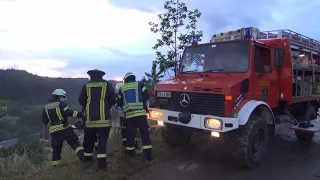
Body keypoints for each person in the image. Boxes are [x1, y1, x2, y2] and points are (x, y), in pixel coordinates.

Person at [78, 69, 116, 171]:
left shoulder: (86, 86)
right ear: (101, 76)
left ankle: (87, 160)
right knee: (102, 141)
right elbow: (113, 99)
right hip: (104, 119)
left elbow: (81, 100)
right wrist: (107, 107)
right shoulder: (106, 85)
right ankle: (102, 165)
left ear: (90, 76)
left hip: (90, 120)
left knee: (89, 140)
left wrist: (88, 106)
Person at [41, 89, 84, 167]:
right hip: (65, 129)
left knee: (56, 151)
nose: (64, 99)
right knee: (75, 144)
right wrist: (82, 114)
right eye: (63, 97)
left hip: (54, 132)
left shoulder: (46, 107)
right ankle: (85, 160)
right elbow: (70, 113)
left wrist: (53, 124)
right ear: (59, 96)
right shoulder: (61, 104)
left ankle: (55, 168)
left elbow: (44, 120)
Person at [116, 72, 152, 162]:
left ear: (126, 79)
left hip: (129, 116)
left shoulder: (122, 88)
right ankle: (147, 156)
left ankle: (130, 153)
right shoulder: (139, 84)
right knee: (144, 133)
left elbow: (119, 102)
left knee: (130, 134)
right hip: (140, 114)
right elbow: (147, 96)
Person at [115, 82, 139, 149]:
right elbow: (116, 103)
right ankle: (126, 142)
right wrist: (117, 106)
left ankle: (133, 143)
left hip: (127, 116)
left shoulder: (124, 95)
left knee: (130, 129)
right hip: (125, 116)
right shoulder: (120, 95)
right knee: (125, 130)